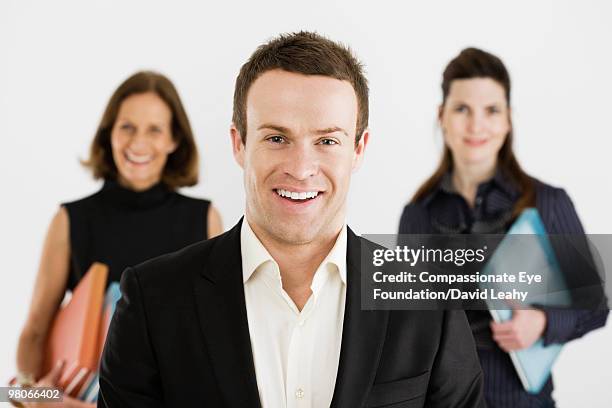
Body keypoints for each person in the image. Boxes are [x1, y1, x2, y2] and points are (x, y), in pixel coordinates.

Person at [98, 32, 485, 408]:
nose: (301, 170)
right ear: (239, 143)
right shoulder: (153, 301)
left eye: (327, 141)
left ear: (358, 149)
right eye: (277, 138)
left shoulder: (430, 304)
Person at [398, 47, 609, 407]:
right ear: (442, 116)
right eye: (462, 109)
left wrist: (542, 323)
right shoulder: (417, 214)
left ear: (508, 119)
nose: (476, 125)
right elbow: (409, 327)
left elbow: (595, 306)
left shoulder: (548, 203)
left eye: (491, 111)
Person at [14, 71, 223, 407]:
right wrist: (31, 396)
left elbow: (218, 340)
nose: (138, 142)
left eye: (154, 129)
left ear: (174, 140)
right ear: (109, 134)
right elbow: (34, 335)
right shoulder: (70, 220)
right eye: (127, 127)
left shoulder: (204, 219)